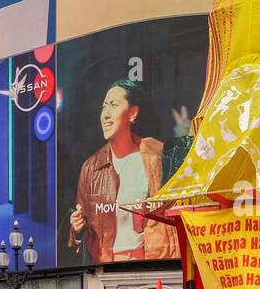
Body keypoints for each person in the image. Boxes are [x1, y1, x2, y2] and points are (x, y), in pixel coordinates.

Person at [67, 80, 179, 262]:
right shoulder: (90, 167)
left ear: (132, 114)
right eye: (104, 106)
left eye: (113, 105)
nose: (106, 115)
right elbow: (79, 235)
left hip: (151, 262)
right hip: (105, 268)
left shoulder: (155, 156)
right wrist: (76, 228)